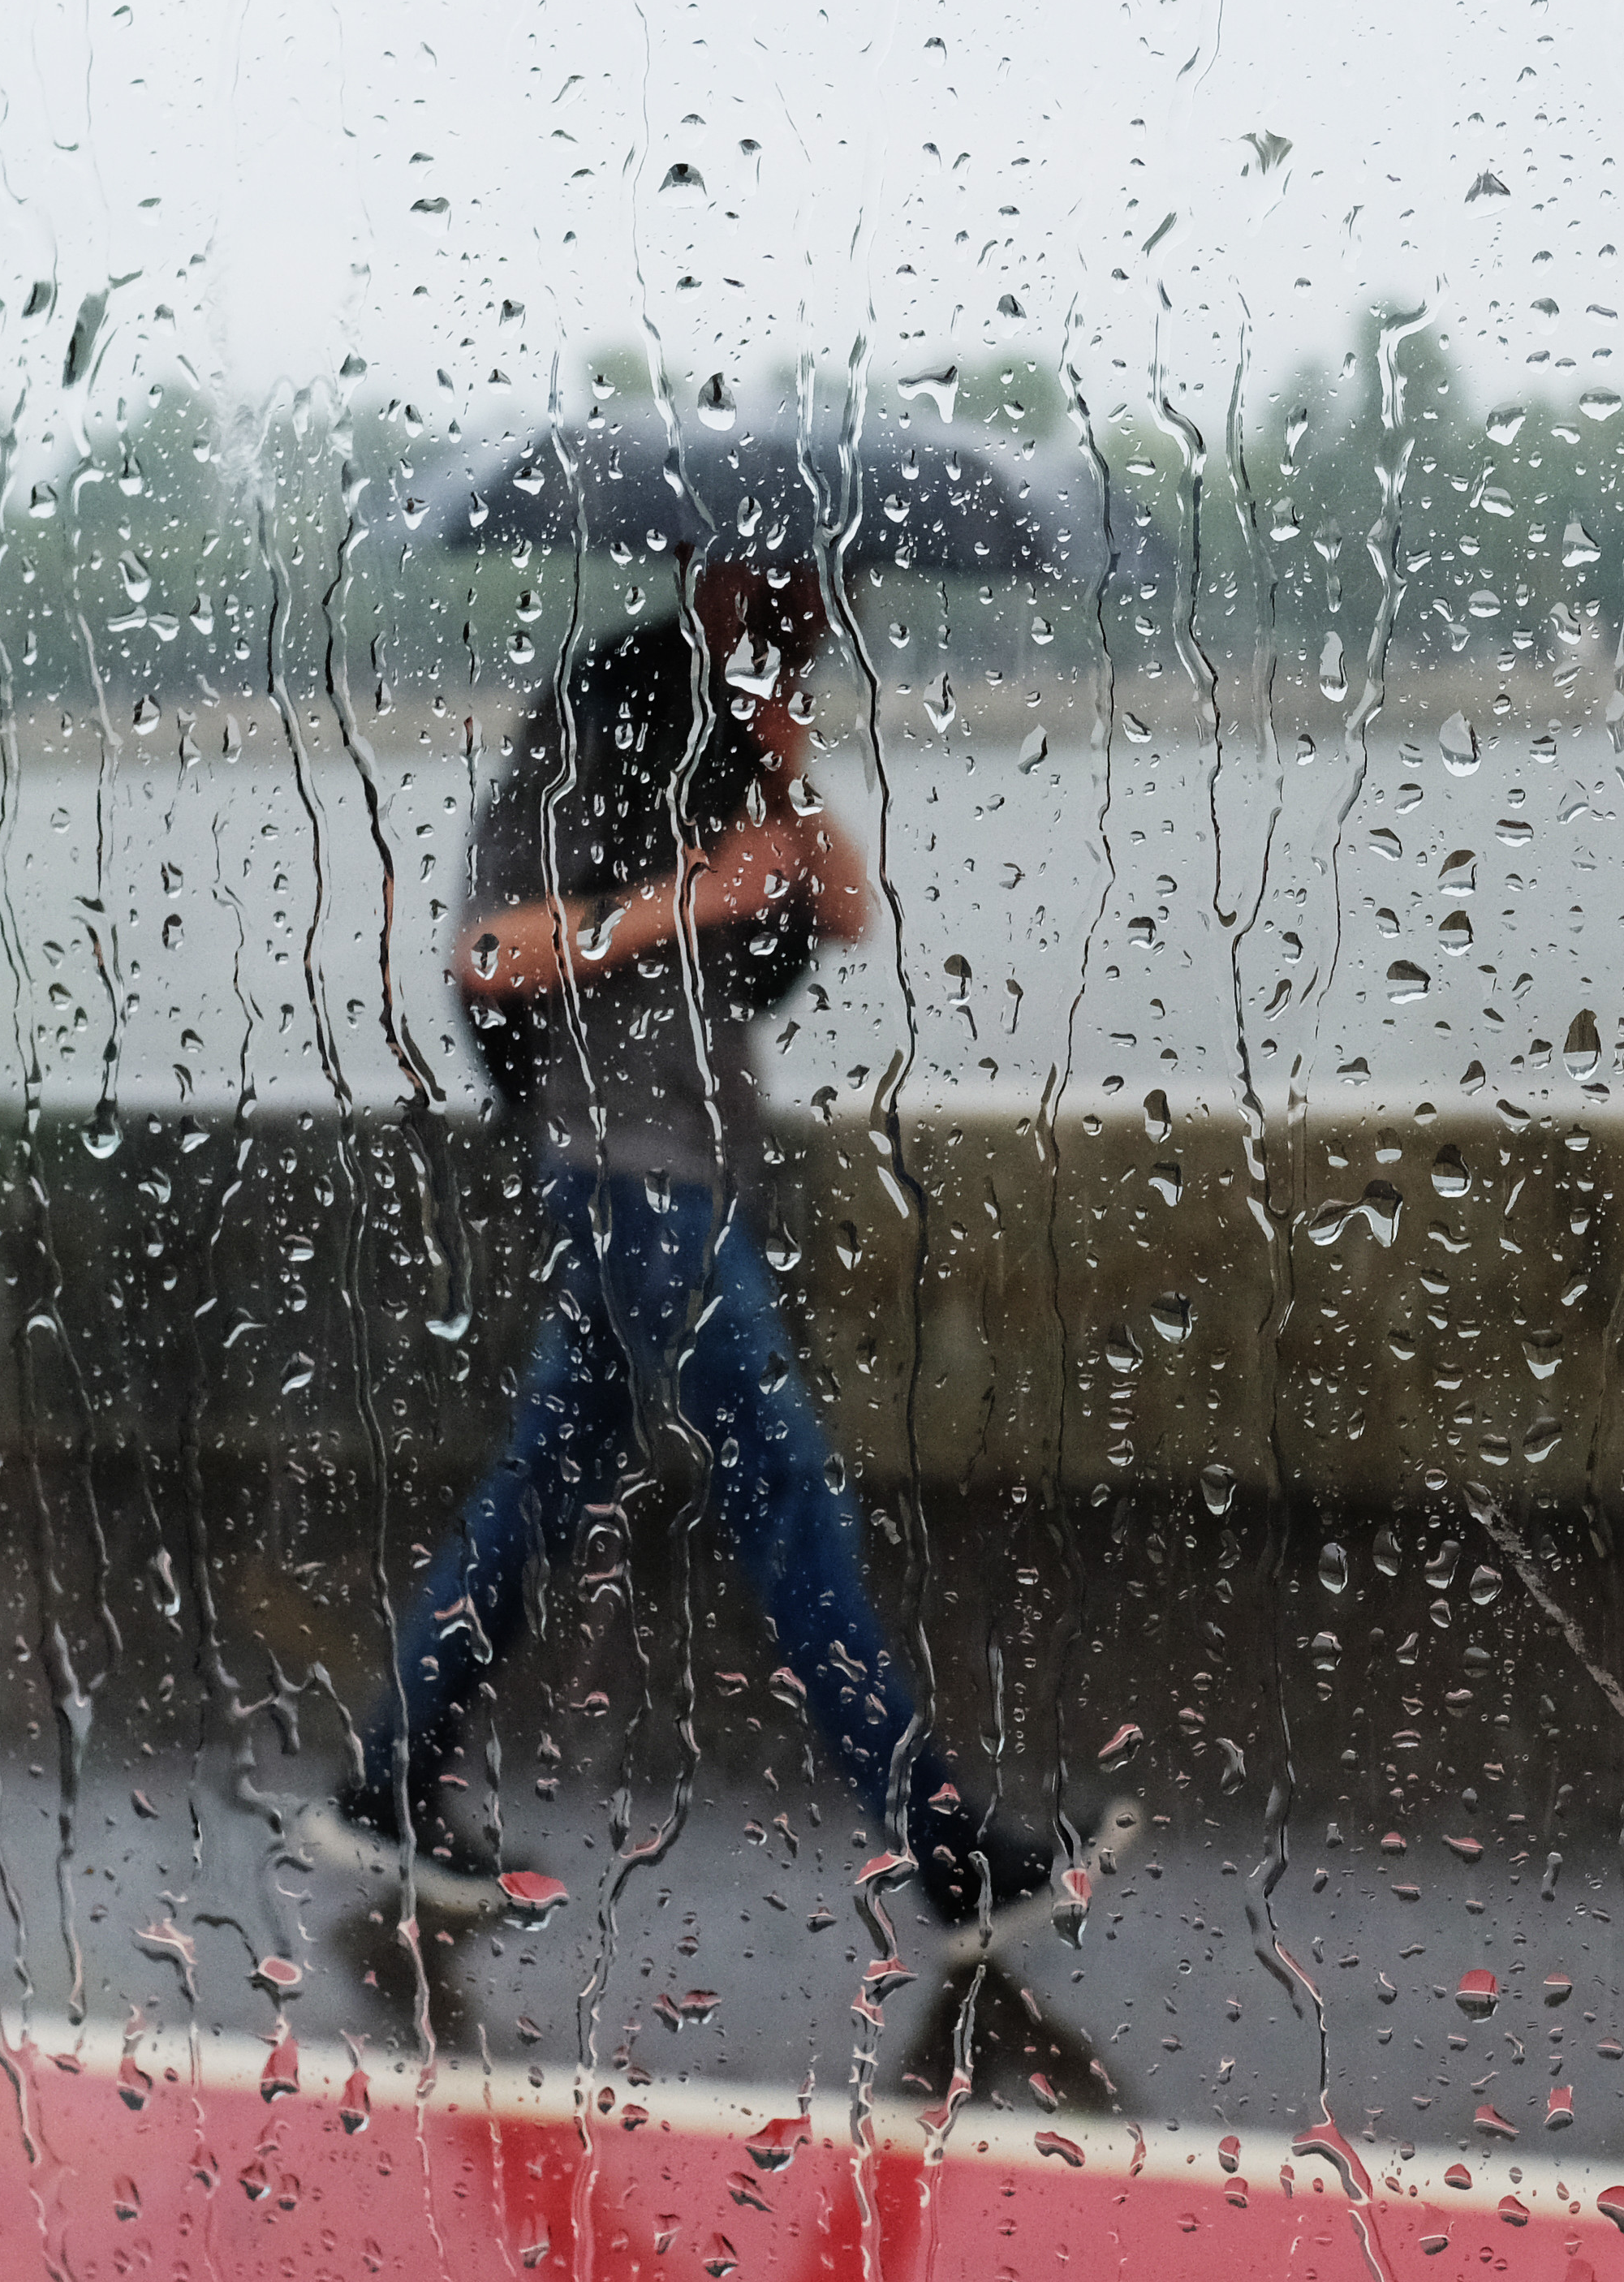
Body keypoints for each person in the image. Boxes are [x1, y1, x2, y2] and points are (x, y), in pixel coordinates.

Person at [291, 545, 1085, 1942]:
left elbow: (838, 903)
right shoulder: (591, 721)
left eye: (813, 595)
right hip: (622, 1169)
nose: (804, 609)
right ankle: (943, 1842)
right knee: (784, 1489)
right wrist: (693, 898)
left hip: (692, 1167)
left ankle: (385, 1776)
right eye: (776, 584)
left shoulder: (733, 730)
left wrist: (776, 735)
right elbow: (492, 955)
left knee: (539, 1490)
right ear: (706, 567)